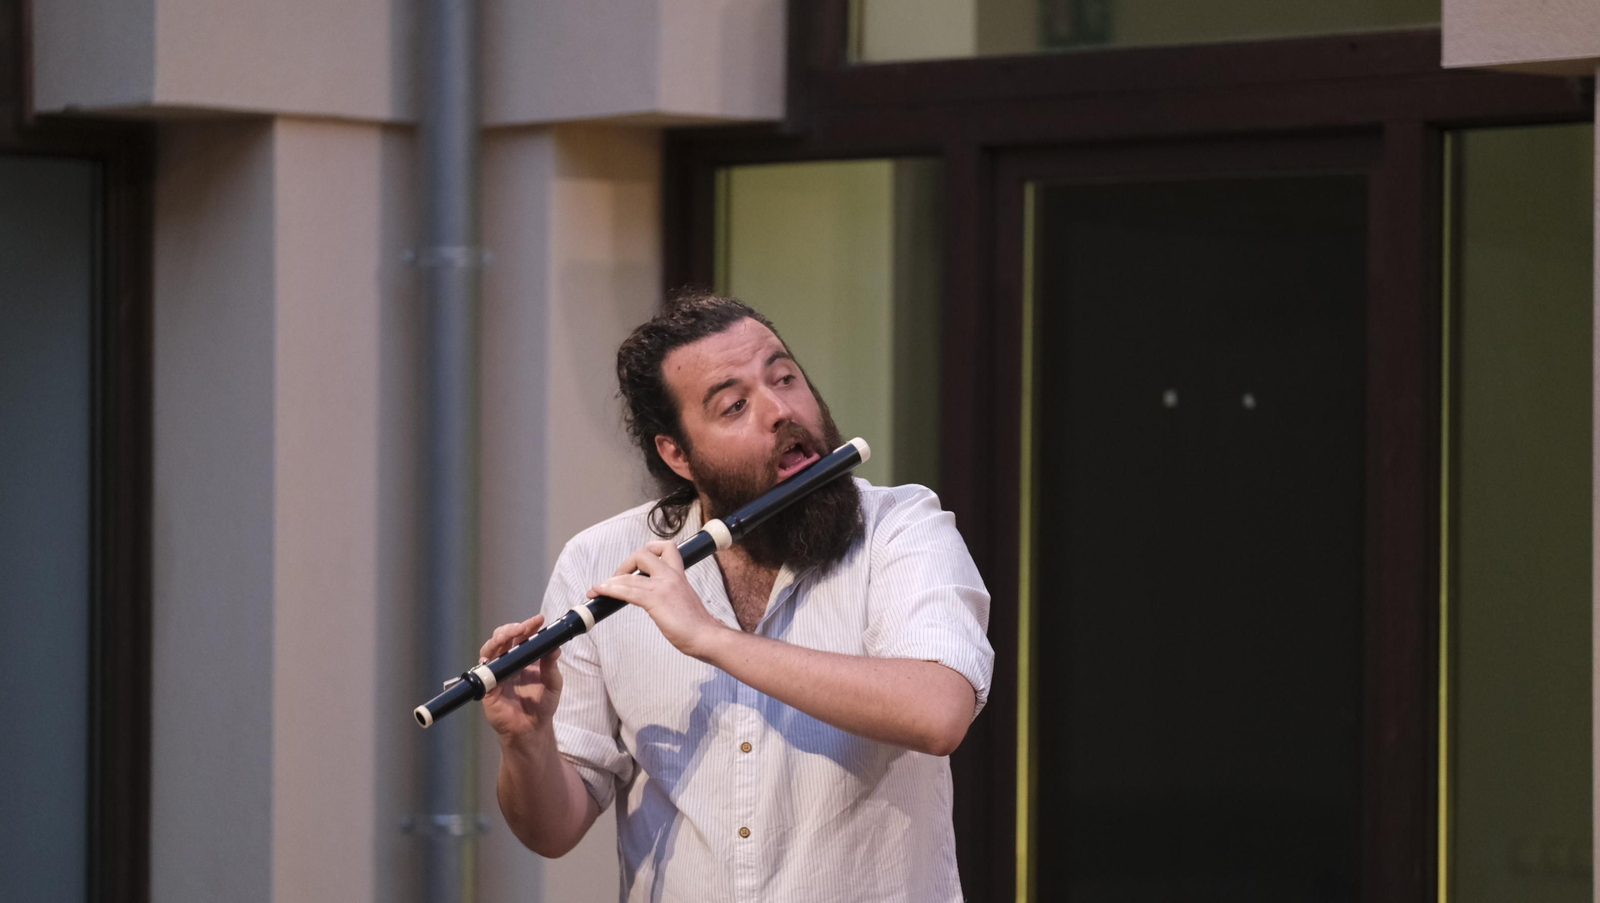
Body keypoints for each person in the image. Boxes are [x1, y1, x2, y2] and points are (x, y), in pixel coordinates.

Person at [479, 291, 993, 902]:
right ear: (678, 454)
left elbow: (937, 713)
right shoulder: (598, 559)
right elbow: (551, 830)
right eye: (734, 406)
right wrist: (526, 741)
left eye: (785, 378)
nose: (779, 410)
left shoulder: (902, 527)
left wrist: (713, 640)